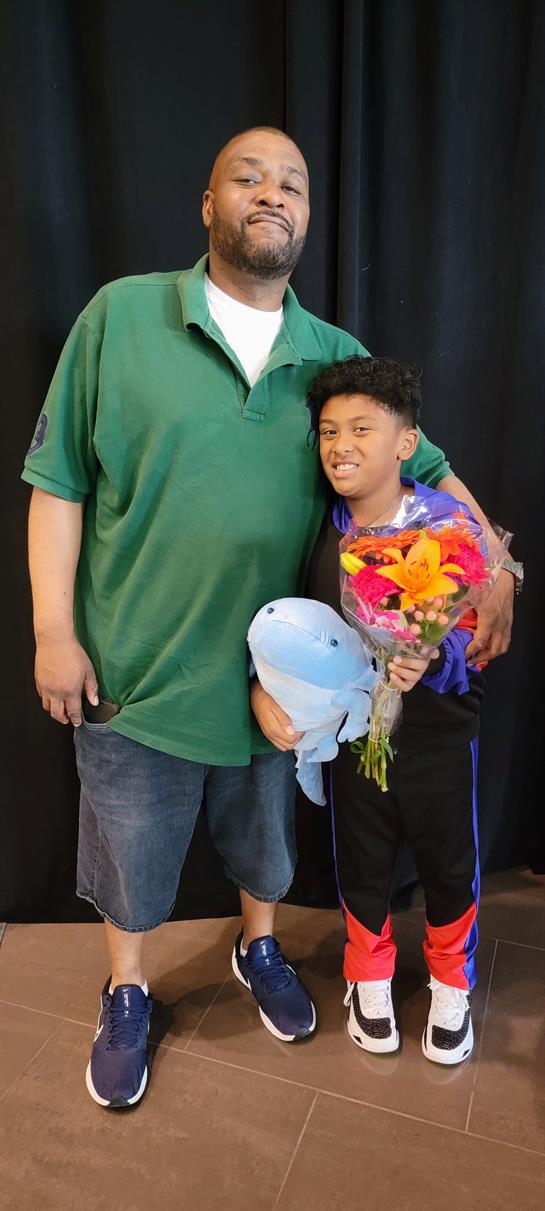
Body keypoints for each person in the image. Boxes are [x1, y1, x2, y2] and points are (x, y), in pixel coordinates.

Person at [22, 127, 515, 1107]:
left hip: (282, 677)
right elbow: (59, 480)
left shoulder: (332, 356)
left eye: (290, 182)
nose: (270, 192)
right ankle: (127, 989)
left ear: (306, 215)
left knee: (266, 848)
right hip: (137, 664)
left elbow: (426, 466)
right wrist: (52, 630)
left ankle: (258, 948)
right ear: (208, 204)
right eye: (246, 177)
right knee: (131, 855)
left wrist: (494, 564)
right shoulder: (119, 316)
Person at [264, 355, 496, 1063]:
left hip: (438, 736)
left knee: (448, 864)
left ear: (405, 442)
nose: (342, 445)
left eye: (362, 428)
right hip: (353, 737)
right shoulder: (318, 531)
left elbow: (474, 638)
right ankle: (368, 974)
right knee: (361, 862)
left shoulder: (446, 523)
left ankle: (451, 979)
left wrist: (432, 655)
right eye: (330, 431)